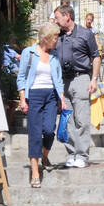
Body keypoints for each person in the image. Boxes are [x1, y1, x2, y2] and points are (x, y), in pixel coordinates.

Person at [16, 22, 68, 188]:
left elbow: (58, 78)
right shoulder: (28, 53)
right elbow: (21, 77)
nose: (57, 41)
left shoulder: (54, 55)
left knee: (49, 130)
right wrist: (22, 98)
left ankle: (44, 156)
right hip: (35, 96)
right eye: (54, 38)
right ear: (45, 38)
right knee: (35, 133)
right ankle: (35, 171)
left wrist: (62, 98)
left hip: (51, 96)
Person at [52, 2, 100, 168]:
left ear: (67, 16)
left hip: (81, 78)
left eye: (57, 18)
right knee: (67, 119)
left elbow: (96, 56)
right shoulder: (58, 36)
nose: (55, 21)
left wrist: (94, 78)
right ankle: (72, 153)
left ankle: (82, 155)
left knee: (82, 118)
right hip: (64, 80)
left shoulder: (86, 34)